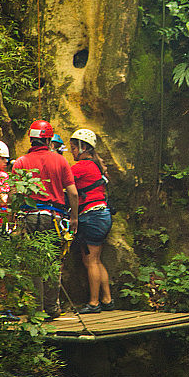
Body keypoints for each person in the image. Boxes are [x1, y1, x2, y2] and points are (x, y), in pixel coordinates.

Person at [12, 120, 79, 318]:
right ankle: (52, 308)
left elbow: (13, 194)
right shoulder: (60, 160)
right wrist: (74, 218)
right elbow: (73, 193)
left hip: (29, 217)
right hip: (54, 218)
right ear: (49, 140)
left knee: (33, 265)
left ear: (31, 139)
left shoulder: (21, 162)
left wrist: (11, 216)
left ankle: (37, 309)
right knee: (52, 262)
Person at [69, 128, 114, 314]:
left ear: (82, 148)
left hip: (92, 216)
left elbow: (62, 181)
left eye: (73, 148)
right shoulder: (95, 165)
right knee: (96, 259)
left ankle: (94, 303)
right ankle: (107, 299)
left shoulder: (81, 167)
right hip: (102, 215)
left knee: (91, 262)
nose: (71, 152)